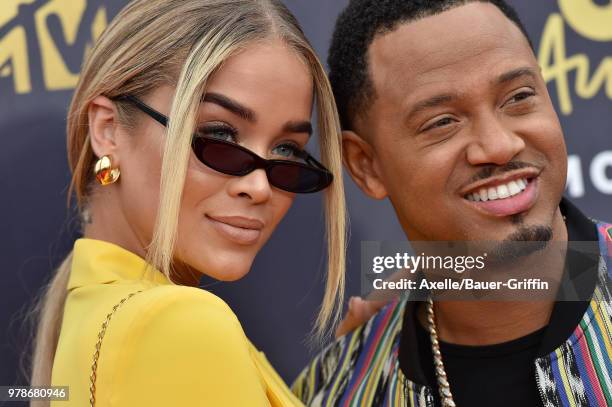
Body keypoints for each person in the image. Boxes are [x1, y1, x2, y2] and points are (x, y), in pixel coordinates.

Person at [292, 1, 612, 406]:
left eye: (518, 97)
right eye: (442, 122)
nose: (499, 145)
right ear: (366, 166)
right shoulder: (337, 391)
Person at [28, 0, 347, 405]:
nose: (260, 186)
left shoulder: (98, 313)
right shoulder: (179, 325)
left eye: (286, 149)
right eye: (221, 135)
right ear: (108, 130)